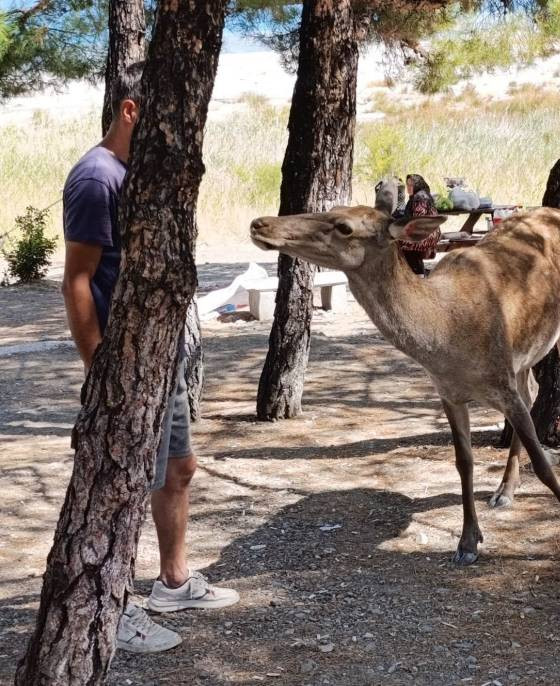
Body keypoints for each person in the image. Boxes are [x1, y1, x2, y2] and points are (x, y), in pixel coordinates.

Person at [61, 62, 239, 654]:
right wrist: (102, 370)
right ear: (131, 110)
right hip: (128, 367)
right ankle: (109, 609)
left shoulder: (141, 176)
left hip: (165, 359)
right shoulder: (97, 177)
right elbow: (78, 280)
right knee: (122, 487)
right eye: (164, 118)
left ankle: (173, 582)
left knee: (178, 468)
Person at [393, 173, 441, 275]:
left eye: (411, 185)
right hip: (429, 232)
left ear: (418, 185)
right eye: (407, 185)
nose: (409, 188)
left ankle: (417, 272)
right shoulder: (421, 194)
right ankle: (414, 270)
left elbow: (419, 219)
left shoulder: (419, 197)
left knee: (401, 242)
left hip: (426, 234)